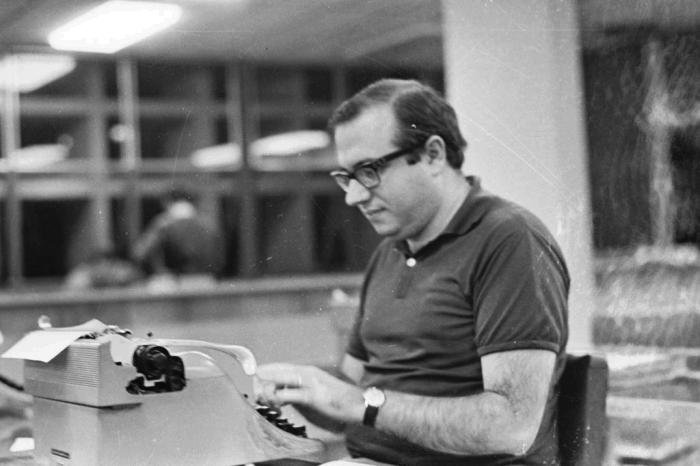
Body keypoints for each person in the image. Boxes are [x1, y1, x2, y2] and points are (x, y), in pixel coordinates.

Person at [256, 79, 569, 465]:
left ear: (433, 155)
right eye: (347, 177)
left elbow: (512, 427)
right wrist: (295, 388)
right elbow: (350, 398)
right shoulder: (390, 252)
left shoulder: (510, 239)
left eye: (369, 170)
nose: (353, 196)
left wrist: (360, 403)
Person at [133, 188, 225, 282]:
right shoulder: (208, 225)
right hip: (208, 282)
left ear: (167, 201)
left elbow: (140, 253)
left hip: (175, 283)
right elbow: (220, 259)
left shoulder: (164, 224)